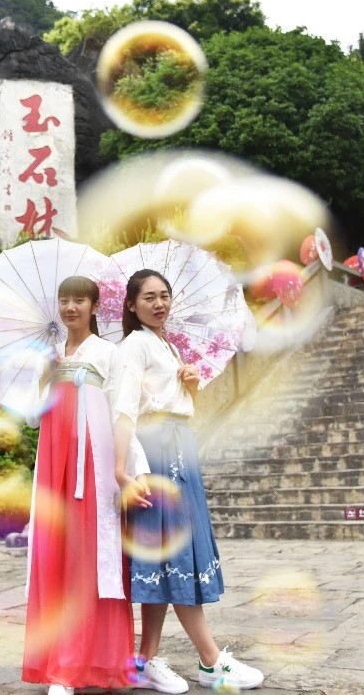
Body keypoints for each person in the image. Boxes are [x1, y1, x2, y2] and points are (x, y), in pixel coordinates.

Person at [114, 268, 265, 692]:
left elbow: (176, 405)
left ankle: (145, 660)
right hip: (156, 456)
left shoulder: (166, 344)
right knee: (176, 554)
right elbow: (124, 411)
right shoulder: (134, 346)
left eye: (164, 295)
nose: (159, 303)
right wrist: (124, 472)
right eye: (148, 297)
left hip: (180, 448)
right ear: (131, 305)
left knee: (168, 558)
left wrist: (191, 387)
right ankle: (211, 660)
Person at [21, 275, 151, 695]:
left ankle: (88, 663)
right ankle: (59, 665)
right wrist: (45, 379)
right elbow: (31, 416)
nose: (70, 307)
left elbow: (123, 416)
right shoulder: (49, 357)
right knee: (57, 559)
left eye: (79, 300)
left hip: (93, 470)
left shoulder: (109, 354)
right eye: (64, 300)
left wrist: (136, 470)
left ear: (95, 307)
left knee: (89, 561)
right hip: (54, 469)